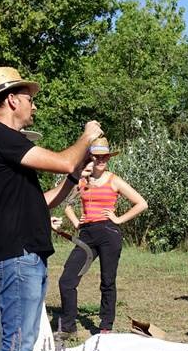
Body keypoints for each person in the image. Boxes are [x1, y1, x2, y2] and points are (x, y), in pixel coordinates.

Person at [0, 66, 102, 351]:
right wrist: (87, 136)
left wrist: (75, 178)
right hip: (18, 257)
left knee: (22, 343)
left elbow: (44, 200)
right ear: (12, 100)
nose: (34, 106)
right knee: (17, 345)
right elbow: (62, 160)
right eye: (30, 99)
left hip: (24, 255)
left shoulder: (7, 146)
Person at [58, 138, 148, 335]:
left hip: (109, 233)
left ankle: (106, 326)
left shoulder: (114, 180)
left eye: (105, 156)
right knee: (67, 279)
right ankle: (68, 327)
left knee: (108, 281)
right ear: (90, 157)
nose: (101, 159)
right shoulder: (81, 180)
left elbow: (142, 203)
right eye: (97, 156)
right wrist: (75, 222)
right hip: (86, 235)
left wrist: (118, 219)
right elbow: (67, 205)